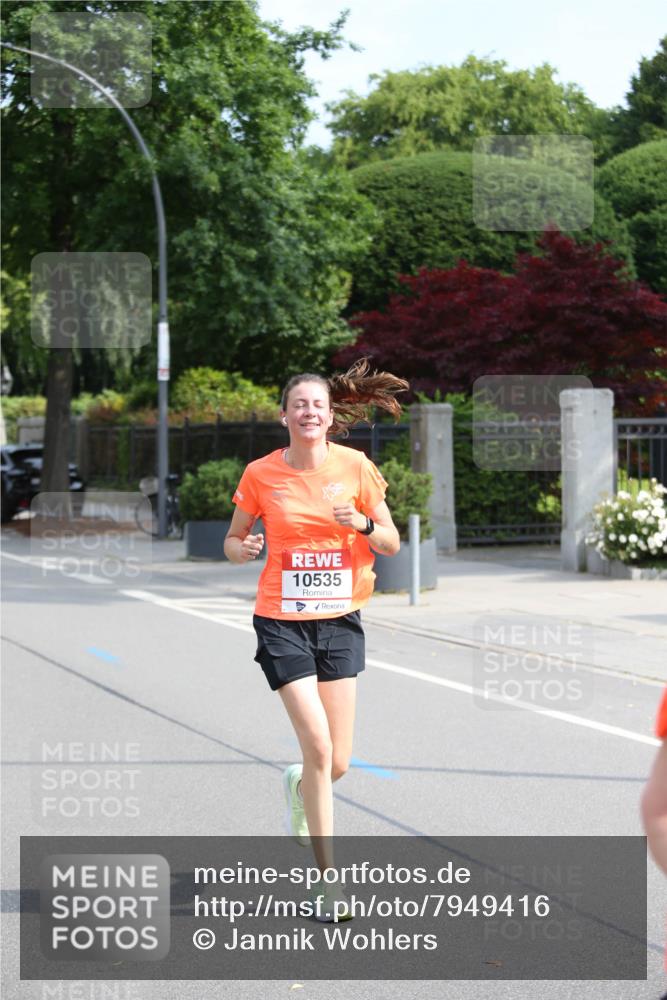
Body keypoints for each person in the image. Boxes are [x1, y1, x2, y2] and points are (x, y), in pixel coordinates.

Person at [224, 358, 408, 921]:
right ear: (285, 416)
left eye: (319, 406)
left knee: (341, 761)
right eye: (299, 404)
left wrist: (361, 525)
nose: (309, 412)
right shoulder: (261, 475)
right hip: (281, 620)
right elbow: (232, 541)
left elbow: (393, 544)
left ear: (331, 418)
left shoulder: (356, 468)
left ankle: (299, 786)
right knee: (320, 747)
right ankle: (329, 884)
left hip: (340, 620)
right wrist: (244, 550)